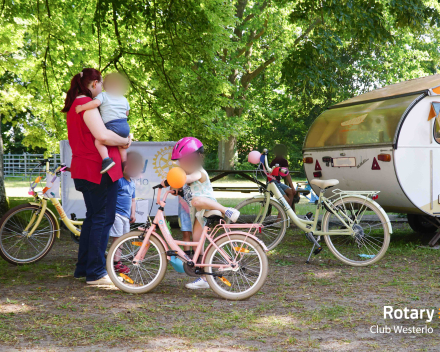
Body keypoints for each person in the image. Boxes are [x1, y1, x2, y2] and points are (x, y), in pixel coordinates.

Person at [62, 68, 131, 286]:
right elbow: (101, 135)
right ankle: (96, 272)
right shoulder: (85, 105)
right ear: (94, 84)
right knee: (102, 218)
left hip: (86, 169)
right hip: (97, 170)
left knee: (93, 218)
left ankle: (84, 268)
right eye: (101, 84)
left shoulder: (76, 105)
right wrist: (124, 141)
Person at [165, 137, 240, 289]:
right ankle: (205, 278)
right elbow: (184, 188)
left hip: (209, 209)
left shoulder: (199, 172)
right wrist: (176, 190)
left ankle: (227, 210)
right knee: (198, 242)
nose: (185, 163)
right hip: (200, 214)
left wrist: (173, 180)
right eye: (182, 161)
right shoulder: (187, 177)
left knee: (197, 201)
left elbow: (188, 179)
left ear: (198, 158)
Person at [75, 72, 131, 174]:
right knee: (121, 147)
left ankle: (106, 159)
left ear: (105, 86)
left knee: (98, 141)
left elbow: (95, 103)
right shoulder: (124, 99)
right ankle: (125, 164)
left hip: (112, 125)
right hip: (125, 126)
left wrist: (81, 107)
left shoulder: (103, 95)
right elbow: (126, 113)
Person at [109, 151, 144, 274]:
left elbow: (133, 200)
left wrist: (132, 213)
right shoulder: (119, 180)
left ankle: (116, 260)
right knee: (117, 239)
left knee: (123, 239)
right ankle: (114, 263)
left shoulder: (132, 184)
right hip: (117, 215)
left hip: (126, 216)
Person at [270, 144, 296, 210]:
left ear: (275, 152)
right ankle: (280, 218)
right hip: (274, 183)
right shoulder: (284, 161)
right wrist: (293, 187)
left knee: (290, 192)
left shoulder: (273, 161)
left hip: (276, 182)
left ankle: (287, 213)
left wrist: (292, 189)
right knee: (286, 200)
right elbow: (287, 175)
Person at [178, 184, 193, 257]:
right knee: (186, 231)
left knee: (196, 233)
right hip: (184, 206)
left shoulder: (197, 174)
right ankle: (187, 257)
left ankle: (196, 256)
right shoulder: (180, 173)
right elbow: (173, 188)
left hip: (196, 205)